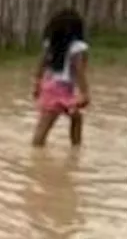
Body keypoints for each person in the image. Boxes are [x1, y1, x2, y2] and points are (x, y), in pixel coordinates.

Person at [32, 8, 90, 147]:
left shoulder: (50, 44)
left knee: (74, 117)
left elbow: (41, 66)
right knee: (47, 124)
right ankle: (74, 147)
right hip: (62, 89)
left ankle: (75, 147)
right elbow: (79, 71)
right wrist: (85, 92)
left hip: (50, 86)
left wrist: (37, 85)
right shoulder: (77, 47)